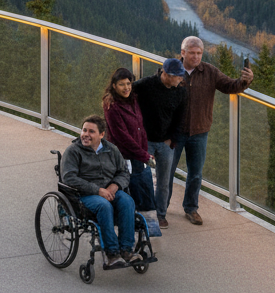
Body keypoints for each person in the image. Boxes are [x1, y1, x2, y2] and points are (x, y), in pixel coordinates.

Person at [167, 36, 253, 225]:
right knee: (167, 171)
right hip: (174, 132)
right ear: (183, 53)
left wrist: (245, 81)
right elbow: (157, 90)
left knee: (195, 174)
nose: (196, 57)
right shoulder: (172, 69)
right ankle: (161, 209)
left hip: (199, 131)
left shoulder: (210, 72)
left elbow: (230, 86)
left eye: (199, 53)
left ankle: (191, 208)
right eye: (192, 53)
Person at [61, 114, 137, 268]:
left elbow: (123, 172)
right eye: (84, 130)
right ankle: (112, 253)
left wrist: (114, 186)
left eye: (91, 132)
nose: (86, 135)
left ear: (102, 135)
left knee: (127, 201)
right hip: (84, 194)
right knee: (104, 206)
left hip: (110, 190)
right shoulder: (73, 151)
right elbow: (69, 178)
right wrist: (98, 190)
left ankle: (127, 249)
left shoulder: (112, 150)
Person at [133, 57, 188, 228]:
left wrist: (172, 139)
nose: (181, 80)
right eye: (177, 76)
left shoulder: (181, 91)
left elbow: (181, 117)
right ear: (165, 74)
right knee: (143, 178)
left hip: (166, 142)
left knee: (164, 181)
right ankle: (141, 213)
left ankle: (160, 214)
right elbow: (127, 94)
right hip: (145, 140)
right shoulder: (146, 85)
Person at [101, 67, 153, 214]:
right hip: (125, 157)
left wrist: (144, 153)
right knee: (133, 192)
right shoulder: (112, 105)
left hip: (139, 154)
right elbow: (121, 137)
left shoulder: (133, 99)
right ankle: (132, 224)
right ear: (114, 85)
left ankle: (147, 227)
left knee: (146, 191)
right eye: (122, 84)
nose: (126, 88)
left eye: (128, 83)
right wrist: (144, 155)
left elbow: (139, 128)